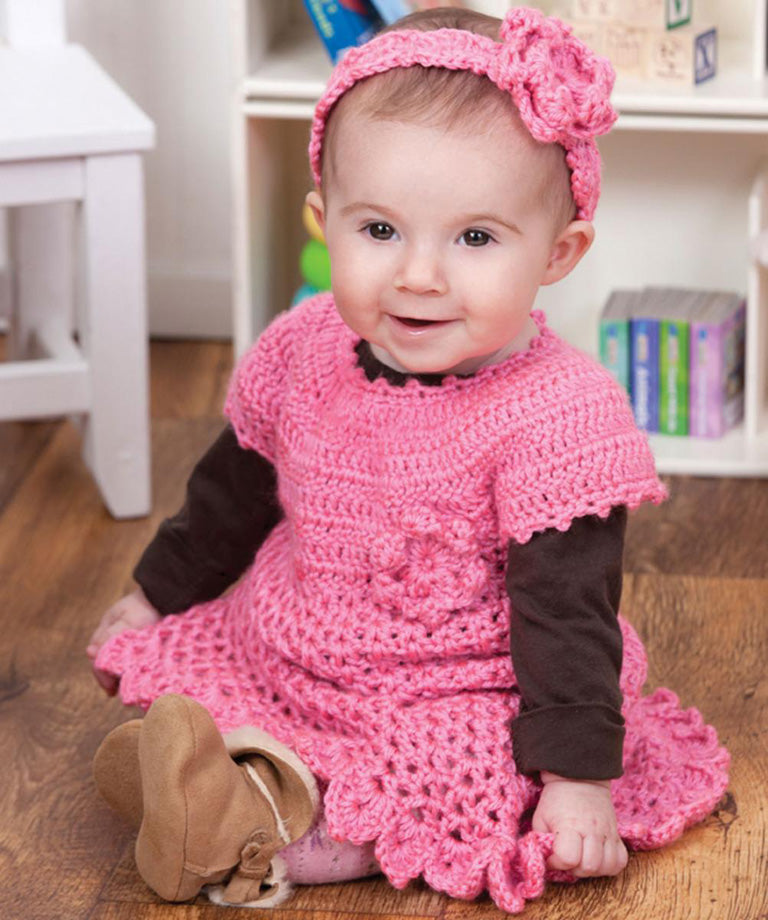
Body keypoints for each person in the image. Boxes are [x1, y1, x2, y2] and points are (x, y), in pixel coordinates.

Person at [88, 6, 729, 913]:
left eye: (475, 238)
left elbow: (567, 609)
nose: (419, 275)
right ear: (324, 221)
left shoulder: (557, 418)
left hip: (469, 680)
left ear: (559, 252)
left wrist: (577, 777)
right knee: (228, 671)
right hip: (304, 644)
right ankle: (220, 768)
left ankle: (255, 819)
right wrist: (159, 592)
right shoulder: (304, 346)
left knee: (453, 774)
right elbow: (231, 491)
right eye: (379, 230)